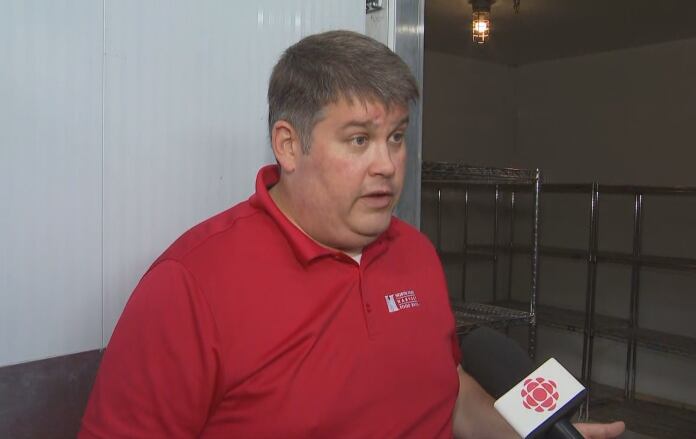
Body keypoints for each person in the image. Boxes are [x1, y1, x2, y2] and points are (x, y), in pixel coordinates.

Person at [79, 30, 624, 439]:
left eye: (396, 137)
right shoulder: (189, 285)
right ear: (289, 146)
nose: (387, 164)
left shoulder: (415, 253)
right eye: (359, 140)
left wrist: (537, 435)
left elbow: (446, 393)